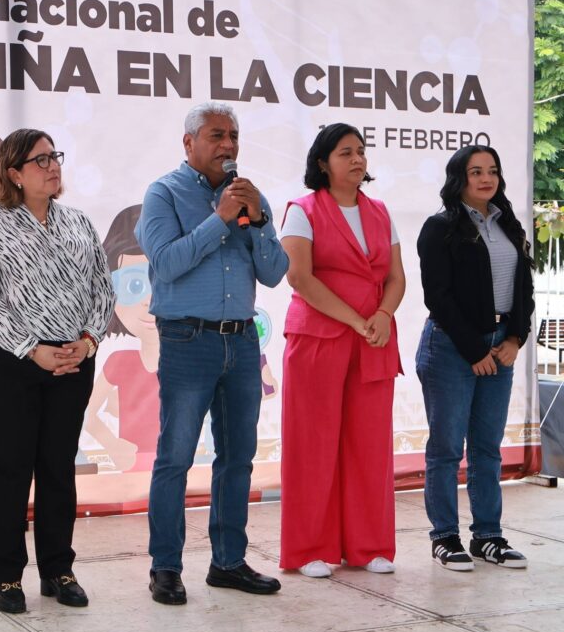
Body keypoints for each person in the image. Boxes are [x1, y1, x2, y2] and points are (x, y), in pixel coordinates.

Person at [136, 102, 288, 603]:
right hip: (187, 340)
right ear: (189, 143)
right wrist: (221, 219)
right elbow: (166, 263)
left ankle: (228, 563)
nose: (228, 145)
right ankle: (166, 567)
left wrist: (259, 219)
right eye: (217, 135)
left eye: (234, 136)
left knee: (238, 457)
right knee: (175, 456)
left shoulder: (248, 195)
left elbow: (273, 271)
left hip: (242, 341)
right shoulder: (164, 193)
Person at [0, 128, 115, 614]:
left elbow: (102, 289)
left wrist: (89, 340)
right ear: (14, 173)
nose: (53, 166)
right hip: (14, 362)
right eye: (40, 160)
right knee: (10, 470)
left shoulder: (78, 223)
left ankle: (58, 569)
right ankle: (8, 577)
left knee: (57, 469)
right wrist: (34, 350)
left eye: (55, 157)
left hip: (74, 359)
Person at [278, 123, 405, 578]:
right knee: (313, 444)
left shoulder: (381, 211)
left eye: (361, 151)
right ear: (322, 163)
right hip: (318, 339)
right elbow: (300, 278)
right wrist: (356, 320)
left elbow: (396, 277)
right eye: (345, 152)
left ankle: (369, 547)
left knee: (369, 445)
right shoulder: (303, 210)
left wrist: (385, 315)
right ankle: (310, 548)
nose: (356, 159)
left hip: (373, 341)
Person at [415, 145, 534, 571]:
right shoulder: (440, 227)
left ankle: (488, 537)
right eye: (476, 171)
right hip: (451, 347)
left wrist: (516, 338)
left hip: (501, 345)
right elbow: (438, 297)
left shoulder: (509, 224)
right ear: (458, 178)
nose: (486, 179)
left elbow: (525, 290)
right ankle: (445, 536)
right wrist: (474, 349)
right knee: (446, 448)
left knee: (487, 448)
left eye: (493, 171)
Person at [84, 205, 161, 473]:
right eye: (133, 285)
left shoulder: (186, 360)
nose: (148, 301)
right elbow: (86, 412)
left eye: (160, 282)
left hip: (181, 463)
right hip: (132, 468)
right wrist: (113, 445)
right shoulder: (120, 362)